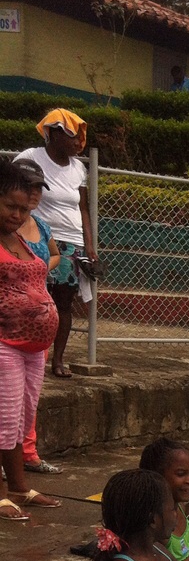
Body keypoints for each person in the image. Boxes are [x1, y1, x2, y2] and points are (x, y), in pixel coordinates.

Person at [14, 109, 96, 379]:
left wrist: (89, 245)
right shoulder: (30, 157)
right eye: (73, 136)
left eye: (80, 138)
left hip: (71, 242)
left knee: (63, 303)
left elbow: (83, 208)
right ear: (54, 133)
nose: (78, 143)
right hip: (36, 238)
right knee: (30, 298)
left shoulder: (78, 168)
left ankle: (57, 360)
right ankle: (24, 353)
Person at [0, 160, 60, 520]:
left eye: (23, 209)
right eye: (11, 206)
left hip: (33, 347)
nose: (18, 215)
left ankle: (19, 488)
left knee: (21, 421)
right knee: (3, 420)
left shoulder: (19, 238)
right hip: (4, 342)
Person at [15, 159, 62, 475]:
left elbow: (55, 253)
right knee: (9, 395)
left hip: (38, 327)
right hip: (10, 327)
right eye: (27, 186)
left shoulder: (41, 226)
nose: (33, 193)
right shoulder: (7, 226)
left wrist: (41, 268)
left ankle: (28, 453)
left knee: (30, 396)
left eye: (37, 188)